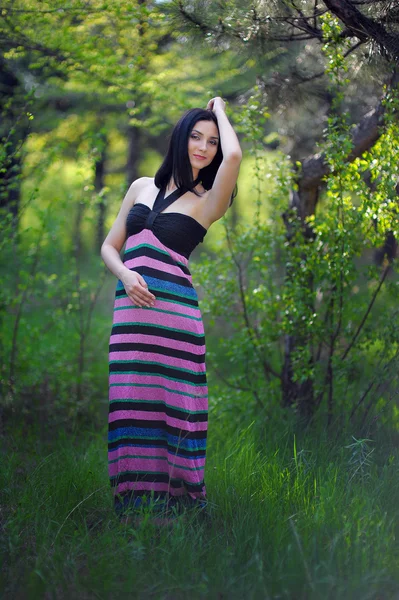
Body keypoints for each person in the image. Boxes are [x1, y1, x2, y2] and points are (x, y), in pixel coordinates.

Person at [101, 96, 242, 525]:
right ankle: (135, 509)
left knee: (175, 411)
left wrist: (218, 108)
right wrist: (125, 275)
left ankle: (180, 509)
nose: (204, 147)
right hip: (129, 319)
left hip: (176, 323)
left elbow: (235, 154)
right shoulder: (141, 187)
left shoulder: (209, 199)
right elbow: (109, 247)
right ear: (180, 138)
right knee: (129, 405)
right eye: (196, 136)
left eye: (212, 142)